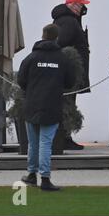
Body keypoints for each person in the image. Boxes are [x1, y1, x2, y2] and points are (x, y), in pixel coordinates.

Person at [18, 24, 75, 191]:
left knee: (33, 143)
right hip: (52, 105)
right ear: (57, 38)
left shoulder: (31, 57)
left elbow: (21, 80)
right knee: (45, 143)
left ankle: (30, 174)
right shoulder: (63, 59)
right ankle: (44, 178)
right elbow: (70, 82)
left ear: (42, 36)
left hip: (32, 105)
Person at [51, 0, 91, 150]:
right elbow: (62, 43)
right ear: (74, 5)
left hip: (68, 70)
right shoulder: (69, 22)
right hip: (69, 71)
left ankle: (64, 137)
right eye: (81, 5)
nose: (83, 8)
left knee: (67, 102)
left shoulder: (64, 20)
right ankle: (65, 138)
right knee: (68, 103)